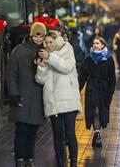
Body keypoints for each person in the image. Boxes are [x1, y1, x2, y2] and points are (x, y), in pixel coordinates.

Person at [37, 30, 81, 167]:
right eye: (46, 42)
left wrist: (50, 57)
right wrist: (42, 67)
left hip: (68, 101)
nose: (48, 44)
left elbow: (67, 67)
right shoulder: (46, 55)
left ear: (56, 41)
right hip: (53, 102)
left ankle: (73, 162)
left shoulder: (67, 49)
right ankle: (60, 162)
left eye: (50, 42)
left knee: (70, 133)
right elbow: (40, 79)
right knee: (57, 135)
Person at [7, 22, 47, 167]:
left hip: (37, 99)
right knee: (21, 130)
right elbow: (11, 74)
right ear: (31, 35)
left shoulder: (46, 53)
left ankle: (30, 159)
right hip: (22, 97)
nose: (38, 39)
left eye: (41, 36)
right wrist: (14, 94)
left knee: (33, 131)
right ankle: (19, 160)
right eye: (36, 36)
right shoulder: (18, 51)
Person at [78, 36, 116, 148]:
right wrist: (77, 89)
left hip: (104, 89)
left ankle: (97, 134)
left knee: (101, 112)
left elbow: (112, 78)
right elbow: (83, 75)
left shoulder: (109, 58)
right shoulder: (88, 58)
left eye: (97, 43)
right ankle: (97, 134)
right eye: (94, 43)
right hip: (91, 88)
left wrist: (110, 92)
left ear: (103, 45)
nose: (95, 45)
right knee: (93, 111)